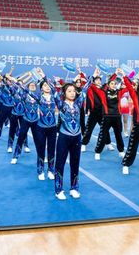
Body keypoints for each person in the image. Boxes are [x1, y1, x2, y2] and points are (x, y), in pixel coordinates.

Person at [41, 68, 94, 200]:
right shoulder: (61, 103)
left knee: (75, 163)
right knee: (60, 163)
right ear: (64, 93)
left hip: (77, 138)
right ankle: (58, 190)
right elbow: (53, 90)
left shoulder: (78, 103)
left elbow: (85, 89)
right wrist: (44, 77)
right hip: (64, 138)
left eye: (73, 91)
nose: (72, 93)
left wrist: (93, 76)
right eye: (69, 91)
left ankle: (74, 188)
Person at [93, 72, 126, 160]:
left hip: (117, 117)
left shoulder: (119, 92)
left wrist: (124, 75)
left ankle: (121, 151)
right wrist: (115, 74)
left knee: (118, 135)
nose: (114, 85)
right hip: (107, 117)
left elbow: (129, 87)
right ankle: (98, 151)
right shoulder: (103, 92)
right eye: (112, 83)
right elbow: (93, 86)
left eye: (115, 84)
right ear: (108, 85)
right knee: (103, 134)